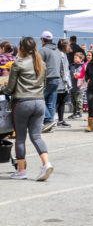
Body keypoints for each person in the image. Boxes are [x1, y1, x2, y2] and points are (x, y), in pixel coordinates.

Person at [1, 37, 53, 181]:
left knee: (21, 138)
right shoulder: (41, 63)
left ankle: (22, 171)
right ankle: (46, 163)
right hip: (39, 102)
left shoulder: (18, 64)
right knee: (36, 136)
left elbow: (10, 89)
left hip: (23, 103)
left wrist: (2, 89)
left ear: (22, 49)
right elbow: (44, 84)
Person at [38, 31, 61, 133]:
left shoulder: (42, 50)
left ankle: (47, 119)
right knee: (51, 103)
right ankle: (50, 123)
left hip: (47, 79)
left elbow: (37, 65)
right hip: (57, 79)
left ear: (42, 40)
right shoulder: (57, 50)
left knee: (39, 99)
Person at [55, 39, 72, 128]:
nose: (69, 47)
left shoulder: (58, 53)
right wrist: (67, 82)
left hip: (59, 81)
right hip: (62, 82)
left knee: (58, 102)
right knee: (60, 102)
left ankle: (59, 120)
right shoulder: (62, 55)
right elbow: (63, 70)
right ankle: (59, 120)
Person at [68, 52, 85, 120]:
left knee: (78, 100)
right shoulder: (72, 65)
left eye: (76, 58)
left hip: (79, 86)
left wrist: (80, 75)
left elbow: (85, 75)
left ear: (81, 59)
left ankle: (79, 113)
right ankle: (74, 112)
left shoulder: (83, 66)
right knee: (73, 100)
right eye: (74, 58)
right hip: (72, 86)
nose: (75, 59)